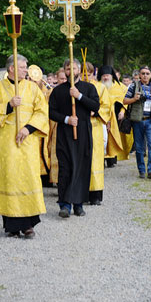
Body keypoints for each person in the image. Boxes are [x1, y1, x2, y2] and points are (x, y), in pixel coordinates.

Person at [0, 54, 49, 238]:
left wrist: (28, 128)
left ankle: (28, 225)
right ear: (11, 68)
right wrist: (8, 106)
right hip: (6, 141)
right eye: (22, 67)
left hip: (27, 141)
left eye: (25, 67)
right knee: (9, 178)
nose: (25, 70)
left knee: (27, 178)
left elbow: (42, 112)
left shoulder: (32, 88)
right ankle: (11, 224)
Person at [49, 58, 100, 218]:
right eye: (68, 69)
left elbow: (95, 106)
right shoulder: (57, 91)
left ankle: (78, 204)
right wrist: (66, 119)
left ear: (79, 70)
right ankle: (64, 204)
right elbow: (51, 112)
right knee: (65, 168)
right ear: (65, 71)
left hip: (83, 132)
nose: (71, 71)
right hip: (65, 133)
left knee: (82, 167)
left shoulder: (88, 88)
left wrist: (79, 96)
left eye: (74, 68)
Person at [123, 65, 151, 179]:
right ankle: (141, 170)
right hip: (138, 120)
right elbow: (124, 101)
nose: (145, 76)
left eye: (147, 74)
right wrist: (134, 99)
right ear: (139, 75)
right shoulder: (134, 86)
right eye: (143, 73)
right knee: (139, 147)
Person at [85, 62, 110, 206]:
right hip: (82, 125)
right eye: (83, 73)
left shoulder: (100, 87)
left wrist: (96, 112)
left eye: (88, 73)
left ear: (93, 73)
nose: (86, 76)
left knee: (95, 159)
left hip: (95, 126)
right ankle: (83, 192)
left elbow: (106, 106)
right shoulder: (77, 87)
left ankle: (95, 194)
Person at [97, 65, 128, 164]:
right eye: (104, 76)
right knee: (102, 138)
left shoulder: (119, 87)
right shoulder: (97, 86)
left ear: (112, 76)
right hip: (100, 115)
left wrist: (122, 112)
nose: (106, 78)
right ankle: (101, 159)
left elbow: (124, 102)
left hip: (115, 116)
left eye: (107, 75)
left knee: (113, 137)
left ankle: (111, 159)